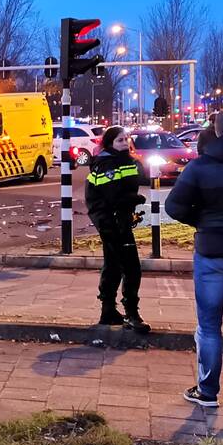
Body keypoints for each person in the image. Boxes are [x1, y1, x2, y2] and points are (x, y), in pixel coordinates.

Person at [165, 106, 223, 409]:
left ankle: (208, 392)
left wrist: (203, 222)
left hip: (212, 252)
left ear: (217, 130)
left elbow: (174, 207)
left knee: (208, 325)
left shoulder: (201, 166)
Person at [85, 126, 151, 332]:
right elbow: (113, 196)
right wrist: (136, 199)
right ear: (109, 143)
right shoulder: (108, 164)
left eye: (126, 139)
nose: (125, 143)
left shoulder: (123, 160)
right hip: (112, 221)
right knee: (131, 267)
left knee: (113, 263)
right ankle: (132, 313)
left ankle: (108, 311)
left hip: (115, 219)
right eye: (120, 140)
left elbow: (137, 180)